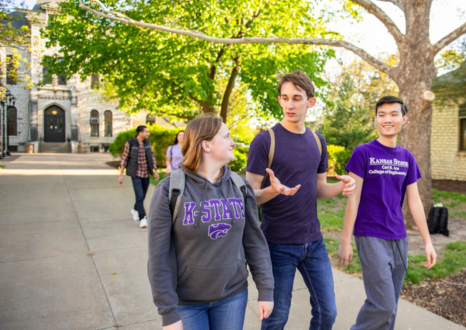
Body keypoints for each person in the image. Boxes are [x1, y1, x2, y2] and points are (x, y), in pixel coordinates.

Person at [246, 70, 356, 330]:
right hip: (277, 244)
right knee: (277, 318)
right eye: (284, 98)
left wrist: (342, 186)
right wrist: (273, 191)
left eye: (297, 98)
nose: (290, 104)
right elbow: (248, 196)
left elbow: (319, 189)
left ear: (311, 101)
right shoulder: (265, 141)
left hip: (313, 244)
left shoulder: (318, 142)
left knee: (327, 312)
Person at [147, 116, 274, 330]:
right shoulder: (169, 191)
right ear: (206, 145)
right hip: (186, 304)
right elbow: (159, 257)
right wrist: (168, 312)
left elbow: (254, 242)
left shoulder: (240, 187)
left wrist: (266, 289)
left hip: (232, 296)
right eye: (226, 137)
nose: (233, 142)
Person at [337, 96, 437, 330]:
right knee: (382, 305)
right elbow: (354, 197)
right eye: (382, 115)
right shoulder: (363, 153)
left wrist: (427, 242)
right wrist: (345, 240)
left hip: (399, 237)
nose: (387, 119)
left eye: (393, 114)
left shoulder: (407, 157)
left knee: (391, 308)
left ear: (404, 118)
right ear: (375, 120)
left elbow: (414, 201)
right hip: (370, 234)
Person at [118, 125, 159, 228]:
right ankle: (143, 218)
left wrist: (156, 170)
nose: (148, 133)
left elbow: (152, 157)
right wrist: (121, 175)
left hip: (146, 173)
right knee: (139, 195)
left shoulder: (147, 143)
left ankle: (135, 209)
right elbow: (124, 158)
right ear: (140, 133)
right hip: (136, 173)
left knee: (142, 196)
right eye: (146, 132)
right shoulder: (130, 143)